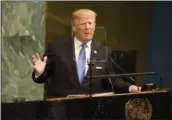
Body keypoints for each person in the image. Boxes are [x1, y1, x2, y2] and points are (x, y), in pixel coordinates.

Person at [32, 9, 139, 98]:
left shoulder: (103, 51)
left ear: (95, 25)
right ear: (74, 27)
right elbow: (42, 78)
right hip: (62, 110)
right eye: (83, 24)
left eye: (90, 23)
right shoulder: (57, 47)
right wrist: (40, 72)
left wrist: (130, 88)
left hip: (91, 110)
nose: (87, 27)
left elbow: (113, 81)